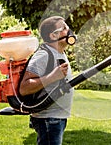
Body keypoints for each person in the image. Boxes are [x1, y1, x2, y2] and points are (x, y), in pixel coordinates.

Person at [19, 16, 74, 145]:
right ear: (54, 36)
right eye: (64, 28)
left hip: (56, 117)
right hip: (48, 119)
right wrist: (53, 76)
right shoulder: (43, 55)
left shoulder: (60, 52)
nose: (69, 30)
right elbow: (24, 87)